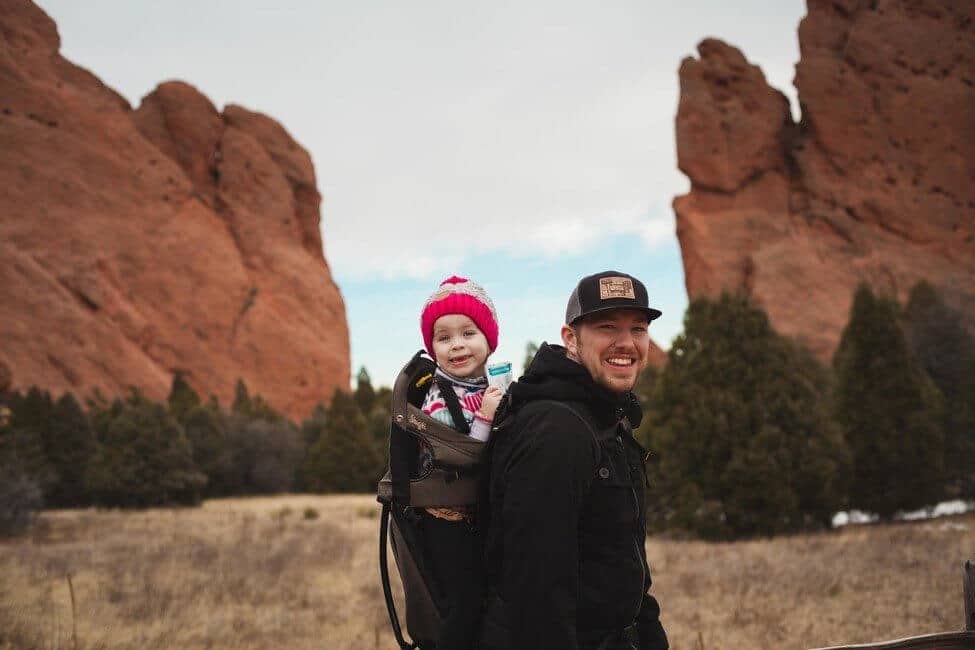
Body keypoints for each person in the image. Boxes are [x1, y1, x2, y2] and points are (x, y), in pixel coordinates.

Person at [479, 270, 669, 650]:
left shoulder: (604, 418)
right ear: (571, 339)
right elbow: (536, 599)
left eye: (638, 329)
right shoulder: (556, 431)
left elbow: (626, 563)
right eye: (607, 327)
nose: (626, 343)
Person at [414, 275, 504, 649]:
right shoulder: (437, 396)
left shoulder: (487, 388)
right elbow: (459, 456)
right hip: (449, 521)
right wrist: (486, 418)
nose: (457, 346)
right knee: (464, 606)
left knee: (488, 602)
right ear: (432, 347)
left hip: (479, 514)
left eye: (468, 333)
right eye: (444, 337)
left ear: (488, 340)